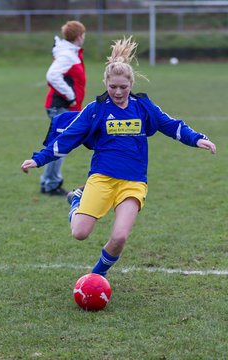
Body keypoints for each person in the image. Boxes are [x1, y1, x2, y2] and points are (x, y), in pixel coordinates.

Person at [21, 36, 216, 277]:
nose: (118, 92)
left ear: (131, 84)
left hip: (133, 181)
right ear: (106, 83)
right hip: (102, 178)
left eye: (123, 87)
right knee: (80, 233)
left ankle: (95, 276)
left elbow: (170, 125)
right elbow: (68, 138)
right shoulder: (97, 109)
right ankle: (76, 200)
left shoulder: (143, 106)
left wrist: (197, 138)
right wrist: (38, 159)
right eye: (113, 87)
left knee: (120, 237)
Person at [41, 20, 86, 195]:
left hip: (64, 107)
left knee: (59, 144)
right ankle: (51, 184)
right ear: (79, 36)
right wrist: (70, 95)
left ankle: (48, 182)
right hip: (60, 107)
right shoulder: (67, 55)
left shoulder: (71, 53)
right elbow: (52, 75)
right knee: (60, 145)